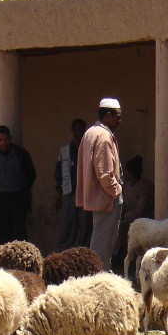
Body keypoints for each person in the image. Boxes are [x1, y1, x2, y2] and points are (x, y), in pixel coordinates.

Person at [77, 97, 124, 269]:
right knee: (103, 243)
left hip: (97, 197)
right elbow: (105, 174)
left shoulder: (91, 132)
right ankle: (98, 275)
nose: (120, 120)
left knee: (99, 238)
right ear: (108, 115)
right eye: (117, 116)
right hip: (106, 198)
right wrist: (116, 191)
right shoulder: (104, 137)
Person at [0, 124, 36, 245]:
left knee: (19, 234)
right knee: (0, 234)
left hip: (17, 198)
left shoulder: (20, 154)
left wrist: (24, 188)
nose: (3, 143)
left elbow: (31, 174)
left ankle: (19, 262)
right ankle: (2, 262)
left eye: (5, 139)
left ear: (10, 138)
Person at [114, 155, 155, 267]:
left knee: (121, 227)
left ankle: (116, 257)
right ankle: (117, 256)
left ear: (132, 172)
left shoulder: (145, 186)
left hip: (142, 219)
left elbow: (141, 210)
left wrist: (126, 216)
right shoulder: (126, 186)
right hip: (129, 217)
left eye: (127, 170)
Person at [55, 118, 87, 251]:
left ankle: (84, 253)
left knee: (85, 226)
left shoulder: (88, 149)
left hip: (85, 193)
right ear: (72, 130)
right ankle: (64, 253)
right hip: (69, 192)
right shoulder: (65, 151)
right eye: (77, 129)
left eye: (82, 129)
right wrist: (59, 194)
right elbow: (58, 173)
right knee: (68, 226)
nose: (79, 132)